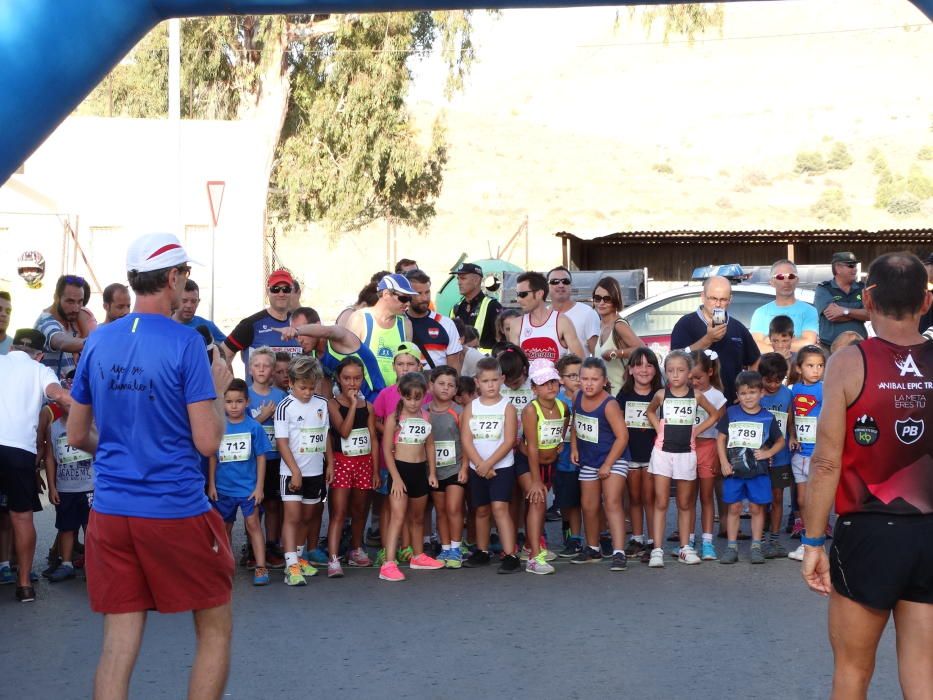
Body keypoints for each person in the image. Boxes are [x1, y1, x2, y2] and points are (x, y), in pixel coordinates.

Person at [67, 232, 234, 698]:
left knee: (118, 646)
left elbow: (78, 434)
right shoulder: (185, 343)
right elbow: (207, 441)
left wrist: (123, 454)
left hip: (111, 512)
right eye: (185, 276)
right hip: (175, 510)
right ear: (173, 277)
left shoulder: (99, 340)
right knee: (215, 628)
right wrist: (220, 393)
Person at [801, 252, 932, 700]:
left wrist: (813, 542)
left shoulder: (849, 362)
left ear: (868, 298)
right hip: (930, 532)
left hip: (868, 530)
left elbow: (825, 462)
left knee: (853, 672)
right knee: (925, 675)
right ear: (927, 300)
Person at [0, 329, 72, 601]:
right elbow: (57, 394)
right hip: (19, 451)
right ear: (40, 355)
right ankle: (24, 586)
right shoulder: (41, 371)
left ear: (12, 348)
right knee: (21, 517)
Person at [645, 350, 719, 567]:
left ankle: (685, 547)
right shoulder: (661, 394)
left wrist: (696, 430)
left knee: (685, 503)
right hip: (662, 453)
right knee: (660, 501)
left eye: (680, 370)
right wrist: (658, 427)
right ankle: (657, 550)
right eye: (670, 371)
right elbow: (650, 411)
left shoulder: (695, 396)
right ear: (665, 372)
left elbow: (714, 414)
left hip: (686, 453)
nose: (675, 375)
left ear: (689, 372)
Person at [379, 372, 444, 581]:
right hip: (400, 471)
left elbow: (430, 444)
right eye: (409, 398)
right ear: (401, 394)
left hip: (419, 472)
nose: (413, 402)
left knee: (418, 518)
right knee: (397, 517)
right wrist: (395, 478)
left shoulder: (426, 417)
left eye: (418, 398)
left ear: (424, 396)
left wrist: (432, 472)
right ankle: (388, 563)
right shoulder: (394, 419)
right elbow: (387, 449)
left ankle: (418, 556)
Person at [716, 371, 785, 565]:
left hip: (758, 471)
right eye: (743, 393)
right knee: (734, 507)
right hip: (734, 471)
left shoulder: (767, 417)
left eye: (752, 392)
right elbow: (720, 439)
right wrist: (723, 462)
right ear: (737, 396)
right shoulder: (731, 413)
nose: (748, 397)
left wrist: (768, 453)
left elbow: (780, 441)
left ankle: (756, 546)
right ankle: (731, 547)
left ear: (761, 393)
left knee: (756, 507)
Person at [207, 378, 272, 586]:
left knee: (253, 524)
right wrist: (211, 484)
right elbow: (212, 456)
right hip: (224, 488)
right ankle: (224, 565)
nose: (233, 406)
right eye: (229, 402)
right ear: (222, 403)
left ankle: (261, 565)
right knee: (224, 528)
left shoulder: (254, 427)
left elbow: (262, 456)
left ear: (247, 402)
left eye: (238, 401)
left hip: (248, 489)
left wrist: (259, 486)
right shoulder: (219, 427)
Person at [568, 358, 630, 571]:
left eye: (594, 379)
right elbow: (575, 424)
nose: (588, 383)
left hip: (614, 458)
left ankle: (619, 551)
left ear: (604, 381)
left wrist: (608, 465)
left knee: (612, 502)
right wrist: (574, 447)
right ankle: (593, 547)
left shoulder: (609, 404)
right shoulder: (577, 397)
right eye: (584, 378)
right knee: (589, 505)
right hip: (589, 460)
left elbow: (622, 437)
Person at [274, 355, 331, 586]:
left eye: (311, 387)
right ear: (291, 383)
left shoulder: (322, 403)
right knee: (293, 518)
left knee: (308, 517)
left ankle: (298, 556)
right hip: (291, 472)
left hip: (315, 471)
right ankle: (291, 566)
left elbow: (325, 436)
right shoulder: (284, 406)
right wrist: (295, 471)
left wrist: (332, 465)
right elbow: (282, 442)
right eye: (302, 387)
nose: (307, 392)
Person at [461, 356, 521, 573]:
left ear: (502, 379)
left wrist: (488, 464)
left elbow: (509, 440)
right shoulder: (471, 407)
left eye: (495, 380)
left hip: (501, 467)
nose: (490, 385)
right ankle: (483, 551)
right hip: (478, 467)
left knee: (500, 508)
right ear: (477, 382)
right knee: (481, 509)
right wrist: (479, 464)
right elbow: (466, 439)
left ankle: (510, 554)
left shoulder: (508, 407)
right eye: (485, 381)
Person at [326, 356, 379, 577]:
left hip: (363, 462)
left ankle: (356, 549)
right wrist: (353, 404)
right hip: (342, 462)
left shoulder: (369, 406)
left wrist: (376, 470)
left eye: (357, 378)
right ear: (339, 378)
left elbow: (373, 438)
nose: (352, 383)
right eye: (347, 378)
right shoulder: (333, 403)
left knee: (359, 510)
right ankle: (333, 558)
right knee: (339, 512)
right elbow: (344, 431)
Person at [670, 275, 760, 403]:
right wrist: (708, 339)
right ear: (702, 296)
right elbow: (675, 360)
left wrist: (748, 391)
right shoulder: (686, 324)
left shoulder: (737, 327)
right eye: (713, 298)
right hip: (693, 404)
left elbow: (755, 360)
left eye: (723, 299)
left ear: (730, 300)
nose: (718, 304)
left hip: (729, 404)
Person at [43, 374, 92, 583]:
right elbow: (50, 458)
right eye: (66, 401)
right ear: (58, 404)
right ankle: (66, 564)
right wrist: (52, 487)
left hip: (91, 485)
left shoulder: (93, 423)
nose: (70, 405)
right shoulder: (53, 428)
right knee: (66, 526)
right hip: (66, 487)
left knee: (91, 527)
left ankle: (93, 563)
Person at [520, 359, 568, 574]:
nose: (550, 386)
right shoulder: (531, 410)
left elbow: (563, 427)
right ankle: (533, 558)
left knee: (537, 507)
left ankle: (532, 545)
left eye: (553, 382)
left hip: (551, 464)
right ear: (534, 388)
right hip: (530, 464)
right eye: (544, 383)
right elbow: (530, 447)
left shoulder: (562, 406)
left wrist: (558, 444)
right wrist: (536, 479)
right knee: (538, 504)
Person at [615, 347, 662, 562]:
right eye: (638, 365)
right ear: (630, 370)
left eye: (649, 365)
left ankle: (654, 540)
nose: (644, 369)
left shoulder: (660, 394)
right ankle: (637, 538)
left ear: (656, 369)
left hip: (654, 453)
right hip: (631, 453)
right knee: (633, 498)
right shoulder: (623, 395)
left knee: (649, 498)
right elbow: (617, 425)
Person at [282, 318, 387, 405]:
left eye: (303, 332)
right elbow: (325, 393)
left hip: (377, 404)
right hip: (352, 409)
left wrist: (296, 330)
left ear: (317, 325)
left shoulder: (341, 340)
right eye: (296, 336)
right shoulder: (314, 356)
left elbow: (329, 331)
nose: (299, 339)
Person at [246, 347, 287, 568]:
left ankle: (271, 545)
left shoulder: (280, 396)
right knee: (252, 505)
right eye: (257, 365)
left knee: (273, 504)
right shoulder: (245, 395)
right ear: (250, 369)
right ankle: (252, 547)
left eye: (266, 366)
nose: (261, 369)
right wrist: (262, 417)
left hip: (275, 458)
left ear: (272, 371)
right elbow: (239, 426)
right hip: (251, 459)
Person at [426, 365, 469, 569]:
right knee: (441, 510)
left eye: (451, 385)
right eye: (441, 384)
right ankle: (444, 547)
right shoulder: (424, 412)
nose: (446, 388)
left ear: (456, 389)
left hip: (455, 468)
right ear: (431, 385)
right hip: (434, 471)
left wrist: (465, 467)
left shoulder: (459, 411)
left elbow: (467, 441)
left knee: (454, 508)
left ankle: (456, 547)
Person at [787, 345, 827, 562]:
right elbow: (791, 415)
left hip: (818, 453)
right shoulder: (793, 390)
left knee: (816, 499)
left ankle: (815, 541)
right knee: (802, 500)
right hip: (799, 453)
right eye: (810, 365)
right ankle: (806, 540)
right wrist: (792, 435)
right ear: (799, 368)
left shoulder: (825, 388)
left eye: (820, 365)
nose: (816, 370)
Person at [689, 349, 728, 561]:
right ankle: (689, 540)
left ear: (710, 372)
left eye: (698, 378)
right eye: (690, 378)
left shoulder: (717, 396)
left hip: (708, 447)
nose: (694, 382)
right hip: (686, 449)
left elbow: (721, 426)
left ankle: (707, 541)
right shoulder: (682, 393)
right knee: (687, 498)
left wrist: (697, 431)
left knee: (706, 496)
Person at [223, 269, 301, 370]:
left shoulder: (299, 323)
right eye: (275, 289)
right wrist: (231, 384)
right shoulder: (250, 325)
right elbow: (223, 356)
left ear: (291, 292)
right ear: (268, 291)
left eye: (286, 289)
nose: (281, 294)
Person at [346, 273, 415, 387]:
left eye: (410, 299)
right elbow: (347, 362)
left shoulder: (406, 324)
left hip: (394, 395)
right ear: (386, 294)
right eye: (404, 298)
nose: (407, 303)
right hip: (366, 395)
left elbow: (407, 363)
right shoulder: (360, 319)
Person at [758, 352, 793, 558]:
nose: (773, 385)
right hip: (759, 454)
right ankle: (760, 537)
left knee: (778, 496)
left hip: (781, 455)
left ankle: (774, 539)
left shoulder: (787, 394)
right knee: (761, 498)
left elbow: (790, 421)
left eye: (777, 381)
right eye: (768, 381)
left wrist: (793, 436)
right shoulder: (757, 393)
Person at [510, 271, 585, 363]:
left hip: (557, 377)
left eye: (523, 294)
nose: (519, 300)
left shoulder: (562, 321)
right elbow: (514, 365)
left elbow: (580, 361)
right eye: (517, 295)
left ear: (539, 294)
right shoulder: (516, 324)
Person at [749, 260, 819, 354]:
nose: (786, 281)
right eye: (780, 277)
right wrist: (788, 347)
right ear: (772, 282)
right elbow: (756, 345)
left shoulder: (809, 311)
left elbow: (808, 343)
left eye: (791, 276)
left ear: (797, 280)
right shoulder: (761, 313)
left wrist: (770, 344)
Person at [553, 354, 584, 558]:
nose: (578, 379)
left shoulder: (590, 396)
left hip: (587, 454)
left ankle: (596, 536)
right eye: (572, 375)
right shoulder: (555, 400)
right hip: (563, 457)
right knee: (567, 500)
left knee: (589, 500)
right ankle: (571, 534)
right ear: (561, 379)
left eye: (580, 374)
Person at [592, 276, 644, 395]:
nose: (601, 303)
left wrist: (614, 353)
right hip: (605, 395)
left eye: (607, 299)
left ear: (616, 300)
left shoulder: (619, 325)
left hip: (620, 395)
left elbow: (642, 349)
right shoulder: (601, 324)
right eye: (597, 298)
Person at [405, 269, 463, 371]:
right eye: (418, 293)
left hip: (438, 386)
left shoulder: (446, 324)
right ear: (407, 294)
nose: (424, 298)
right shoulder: (398, 323)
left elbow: (454, 366)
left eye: (427, 292)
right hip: (406, 385)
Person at [34, 274, 90, 379]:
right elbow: (61, 341)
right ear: (56, 297)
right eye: (70, 301)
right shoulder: (45, 323)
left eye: (80, 301)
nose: (76, 308)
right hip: (51, 394)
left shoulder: (71, 318)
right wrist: (96, 341)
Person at [813, 251, 868, 350]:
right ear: (838, 268)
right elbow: (832, 316)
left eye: (855, 266)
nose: (855, 269)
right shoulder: (824, 289)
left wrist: (844, 311)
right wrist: (859, 314)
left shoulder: (862, 288)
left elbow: (870, 314)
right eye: (851, 266)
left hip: (859, 347)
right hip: (829, 348)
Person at [546, 266, 600, 355]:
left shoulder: (587, 313)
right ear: (547, 287)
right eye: (555, 282)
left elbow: (597, 354)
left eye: (565, 281)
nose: (561, 285)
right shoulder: (543, 315)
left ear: (571, 286)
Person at [451, 262, 502, 354]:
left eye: (463, 278)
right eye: (458, 279)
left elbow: (501, 341)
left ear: (476, 280)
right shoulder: (456, 308)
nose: (459, 283)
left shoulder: (492, 306)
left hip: (484, 364)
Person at [173, 279, 226, 343]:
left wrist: (213, 348)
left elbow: (227, 348)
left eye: (193, 301)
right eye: (184, 301)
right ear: (175, 300)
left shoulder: (208, 326)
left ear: (198, 302)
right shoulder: (164, 325)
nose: (189, 305)